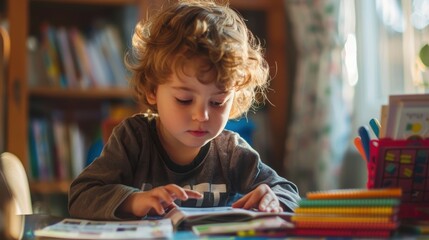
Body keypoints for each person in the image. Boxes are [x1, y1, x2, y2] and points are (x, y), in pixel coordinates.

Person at [68, 0, 300, 220]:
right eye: (184, 99)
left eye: (217, 102)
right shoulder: (134, 138)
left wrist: (273, 198)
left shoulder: (230, 152)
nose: (202, 116)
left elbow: (289, 192)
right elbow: (81, 195)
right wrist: (134, 201)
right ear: (152, 90)